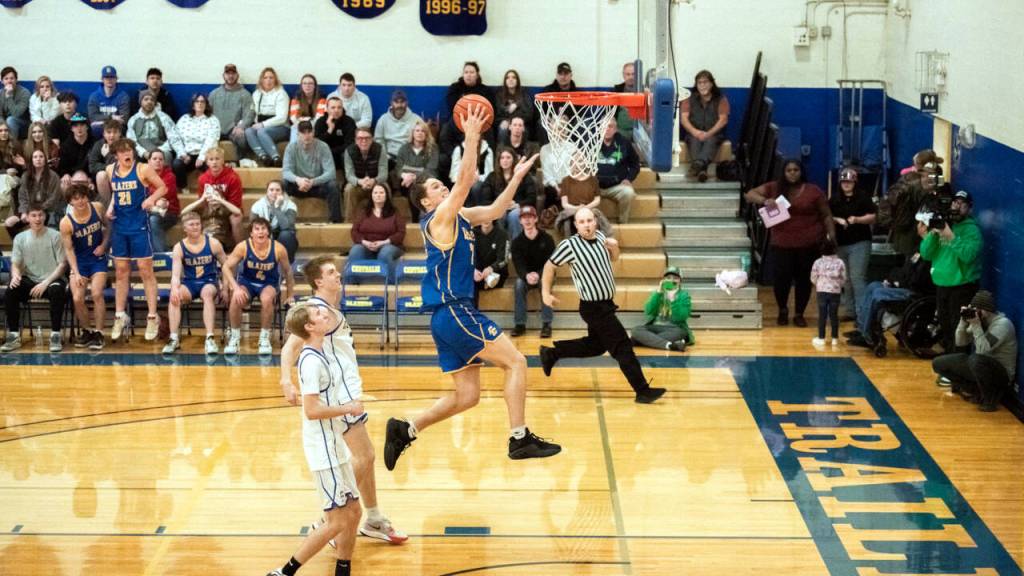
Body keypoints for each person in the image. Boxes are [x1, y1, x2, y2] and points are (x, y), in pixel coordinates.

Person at [382, 105, 558, 470]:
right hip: (455, 311)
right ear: (426, 202)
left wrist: (518, 176)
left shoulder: (460, 215)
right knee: (517, 363)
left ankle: (407, 429)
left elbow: (495, 210)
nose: (440, 186)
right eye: (434, 186)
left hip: (449, 318)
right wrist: (473, 131)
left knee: (468, 396)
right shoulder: (438, 219)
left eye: (439, 182)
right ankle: (519, 437)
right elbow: (464, 181)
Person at [279, 256, 408, 545]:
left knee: (367, 456)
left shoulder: (329, 309)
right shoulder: (316, 311)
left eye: (336, 271)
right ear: (318, 282)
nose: (338, 275)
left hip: (348, 392)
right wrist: (285, 380)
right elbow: (290, 347)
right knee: (366, 457)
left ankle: (372, 517)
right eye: (330, 272)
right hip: (339, 397)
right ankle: (331, 519)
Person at [265, 301, 365, 576]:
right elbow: (311, 411)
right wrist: (349, 408)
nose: (325, 314)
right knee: (335, 521)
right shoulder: (310, 363)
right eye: (319, 314)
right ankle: (285, 571)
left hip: (335, 446)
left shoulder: (322, 354)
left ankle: (343, 568)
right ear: (310, 327)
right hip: (323, 451)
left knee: (354, 512)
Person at [539, 207, 666, 403]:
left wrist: (614, 248)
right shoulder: (570, 245)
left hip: (606, 305)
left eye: (589, 221)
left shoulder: (600, 237)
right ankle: (642, 390)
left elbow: (614, 258)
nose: (587, 225)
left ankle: (552, 353)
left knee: (596, 346)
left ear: (595, 222)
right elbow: (549, 266)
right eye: (582, 222)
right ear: (576, 225)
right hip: (593, 308)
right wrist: (545, 292)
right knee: (622, 345)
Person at [744, 159, 836, 327]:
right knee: (781, 281)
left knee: (804, 281)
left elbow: (826, 215)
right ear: (783, 172)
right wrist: (765, 201)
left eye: (796, 170)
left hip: (808, 245)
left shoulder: (813, 191)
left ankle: (800, 313)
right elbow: (750, 194)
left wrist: (831, 235)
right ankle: (783, 310)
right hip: (782, 244)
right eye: (789, 170)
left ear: (801, 172)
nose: (792, 173)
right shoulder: (774, 187)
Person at [105, 138, 167, 342]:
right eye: (123, 151)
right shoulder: (109, 171)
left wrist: (151, 199)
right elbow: (116, 192)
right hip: (120, 227)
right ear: (116, 155)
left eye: (129, 149)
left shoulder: (143, 169)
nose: (127, 153)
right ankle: (120, 316)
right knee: (121, 272)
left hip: (139, 225)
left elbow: (162, 187)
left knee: (145, 270)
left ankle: (152, 316)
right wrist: (111, 205)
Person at [918, 190, 982, 356]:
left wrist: (951, 236)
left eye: (962, 204)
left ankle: (959, 365)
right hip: (942, 284)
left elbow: (968, 256)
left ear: (969, 209)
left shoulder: (972, 231)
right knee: (946, 326)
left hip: (963, 286)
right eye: (955, 202)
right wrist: (932, 233)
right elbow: (926, 253)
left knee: (959, 329)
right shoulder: (943, 225)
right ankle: (949, 361)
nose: (957, 206)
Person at [932, 290, 1017, 412]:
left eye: (977, 310)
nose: (974, 313)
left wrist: (976, 325)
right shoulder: (979, 321)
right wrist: (963, 321)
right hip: (981, 367)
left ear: (986, 311)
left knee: (975, 359)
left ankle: (990, 400)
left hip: (1001, 374)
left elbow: (983, 350)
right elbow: (960, 342)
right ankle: (976, 391)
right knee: (939, 363)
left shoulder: (1002, 325)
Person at [222, 216, 294, 356]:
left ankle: (264, 337)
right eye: (257, 229)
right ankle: (235, 336)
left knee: (267, 299)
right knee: (237, 298)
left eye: (263, 229)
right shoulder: (243, 246)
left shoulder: (278, 249)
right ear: (251, 233)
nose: (260, 232)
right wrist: (235, 288)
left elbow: (288, 272)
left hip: (268, 283)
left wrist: (290, 294)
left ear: (268, 232)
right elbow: (226, 267)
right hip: (247, 283)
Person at [0, 204, 67, 353]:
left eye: (40, 215)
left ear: (45, 217)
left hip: (52, 279)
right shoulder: (20, 238)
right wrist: (16, 274)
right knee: (11, 291)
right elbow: (15, 263)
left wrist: (45, 283)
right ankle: (14, 335)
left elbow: (62, 265)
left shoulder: (55, 236)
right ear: (28, 218)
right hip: (31, 280)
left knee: (57, 290)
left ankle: (55, 334)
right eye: (34, 215)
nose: (37, 219)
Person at [162, 211, 229, 356]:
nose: (195, 227)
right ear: (184, 228)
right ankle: (173, 338)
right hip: (190, 283)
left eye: (198, 224)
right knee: (175, 297)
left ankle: (210, 338)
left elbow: (227, 267)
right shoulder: (179, 247)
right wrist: (174, 289)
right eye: (191, 225)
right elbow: (175, 274)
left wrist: (225, 287)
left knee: (206, 294)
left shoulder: (213, 243)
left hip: (209, 281)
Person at [59, 183, 110, 350]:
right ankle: (88, 331)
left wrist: (103, 245)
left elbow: (109, 228)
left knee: (96, 293)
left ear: (87, 196)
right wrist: (75, 271)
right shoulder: (66, 222)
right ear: (70, 202)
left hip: (98, 258)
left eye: (82, 197)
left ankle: (100, 333)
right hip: (79, 261)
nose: (80, 201)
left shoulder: (98, 208)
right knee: (77, 298)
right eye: (76, 199)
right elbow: (69, 249)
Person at [846, 252, 933, 349]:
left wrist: (897, 283)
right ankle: (862, 329)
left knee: (878, 293)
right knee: (872, 286)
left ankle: (869, 336)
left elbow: (917, 281)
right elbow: (903, 270)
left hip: (913, 292)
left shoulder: (929, 257)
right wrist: (892, 280)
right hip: (903, 284)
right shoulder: (918, 250)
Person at [830, 167, 876, 322]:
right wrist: (837, 220)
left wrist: (857, 220)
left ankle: (863, 312)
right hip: (841, 243)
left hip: (860, 242)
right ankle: (850, 311)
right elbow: (827, 216)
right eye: (844, 181)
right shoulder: (834, 199)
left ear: (855, 182)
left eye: (849, 181)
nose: (846, 184)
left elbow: (873, 216)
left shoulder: (863, 198)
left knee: (857, 277)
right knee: (846, 279)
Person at [282, 120, 340, 223]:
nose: (306, 135)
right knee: (284, 183)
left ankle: (335, 221)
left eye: (309, 132)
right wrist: (298, 180)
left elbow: (331, 173)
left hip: (317, 186)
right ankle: (283, 220)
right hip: (299, 186)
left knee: (333, 185)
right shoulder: (291, 148)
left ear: (313, 133)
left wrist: (313, 182)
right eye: (303, 133)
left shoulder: (323, 146)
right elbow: (286, 172)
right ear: (298, 134)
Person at [510, 205, 555, 337]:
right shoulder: (517, 242)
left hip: (545, 273)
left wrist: (539, 274)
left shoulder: (547, 238)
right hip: (527, 276)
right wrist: (526, 275)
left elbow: (551, 262)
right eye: (524, 218)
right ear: (520, 221)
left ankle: (547, 324)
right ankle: (520, 324)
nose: (527, 220)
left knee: (544, 283)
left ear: (535, 219)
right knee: (518, 285)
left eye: (530, 217)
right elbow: (518, 264)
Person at [679, 70, 730, 182]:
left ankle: (697, 165)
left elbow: (723, 120)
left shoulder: (721, 99)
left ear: (711, 83)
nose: (702, 85)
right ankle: (701, 170)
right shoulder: (689, 99)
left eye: (705, 82)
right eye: (699, 83)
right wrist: (695, 132)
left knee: (711, 140)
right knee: (694, 140)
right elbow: (683, 118)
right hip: (693, 133)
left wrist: (708, 133)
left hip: (714, 133)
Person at [348, 183, 405, 282]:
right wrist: (365, 242)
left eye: (381, 192)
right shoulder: (363, 212)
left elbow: (401, 233)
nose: (378, 195)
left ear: (386, 195)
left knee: (385, 253)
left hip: (389, 245)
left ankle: (391, 282)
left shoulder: (394, 212)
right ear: (371, 195)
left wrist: (383, 243)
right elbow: (354, 231)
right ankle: (352, 283)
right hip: (367, 245)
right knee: (355, 251)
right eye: (375, 193)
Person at [883, 162, 940, 259]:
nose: (925, 179)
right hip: (908, 241)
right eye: (923, 176)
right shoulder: (914, 192)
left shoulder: (939, 197)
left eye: (930, 176)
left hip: (925, 245)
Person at [630, 266, 694, 352]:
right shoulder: (658, 293)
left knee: (681, 333)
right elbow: (648, 311)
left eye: (675, 278)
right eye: (668, 278)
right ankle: (670, 345)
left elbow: (681, 317)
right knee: (636, 329)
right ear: (663, 280)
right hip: (655, 327)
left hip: (674, 329)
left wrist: (672, 300)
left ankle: (641, 340)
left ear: (680, 281)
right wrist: (658, 293)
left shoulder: (684, 296)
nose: (672, 281)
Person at [477, 147, 535, 237]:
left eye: (508, 157)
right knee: (500, 214)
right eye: (502, 158)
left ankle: (515, 246)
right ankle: (504, 244)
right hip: (498, 209)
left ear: (513, 160)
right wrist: (499, 205)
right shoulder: (492, 177)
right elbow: (485, 199)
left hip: (517, 208)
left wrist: (517, 205)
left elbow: (532, 197)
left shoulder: (523, 175)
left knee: (514, 215)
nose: (505, 160)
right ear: (499, 161)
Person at [192, 146, 244, 247]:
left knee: (236, 218)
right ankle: (196, 250)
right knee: (191, 218)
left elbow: (236, 204)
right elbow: (201, 201)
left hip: (229, 208)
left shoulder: (233, 178)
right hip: (210, 209)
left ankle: (241, 250)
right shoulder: (202, 179)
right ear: (207, 162)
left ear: (222, 161)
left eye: (217, 159)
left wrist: (220, 203)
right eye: (211, 159)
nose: (214, 162)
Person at [392, 119, 438, 223]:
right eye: (417, 131)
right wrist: (404, 175)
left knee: (416, 186)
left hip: (425, 181)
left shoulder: (433, 149)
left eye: (423, 131)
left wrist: (413, 177)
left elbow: (431, 169)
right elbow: (398, 167)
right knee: (410, 186)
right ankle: (416, 220)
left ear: (427, 134)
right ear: (412, 133)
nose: (420, 133)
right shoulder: (404, 148)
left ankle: (419, 220)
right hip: (405, 182)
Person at [594, 117, 638, 223]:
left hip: (616, 187)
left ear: (615, 129)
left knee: (628, 192)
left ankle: (623, 222)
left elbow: (635, 164)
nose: (607, 129)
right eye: (604, 126)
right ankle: (595, 224)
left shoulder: (624, 143)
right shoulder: (592, 143)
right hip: (595, 187)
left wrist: (628, 179)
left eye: (610, 126)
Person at [173, 93, 221, 189]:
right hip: (187, 156)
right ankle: (183, 188)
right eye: (197, 101)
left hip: (205, 155)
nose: (200, 104)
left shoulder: (212, 119)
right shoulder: (184, 119)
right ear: (193, 104)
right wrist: (182, 154)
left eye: (202, 101)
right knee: (177, 164)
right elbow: (176, 138)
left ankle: (212, 190)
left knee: (213, 165)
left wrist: (202, 157)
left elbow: (212, 139)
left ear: (206, 104)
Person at [245, 67, 289, 167]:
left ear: (275, 80)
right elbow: (253, 112)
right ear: (261, 80)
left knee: (261, 131)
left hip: (281, 127)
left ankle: (276, 158)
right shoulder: (256, 94)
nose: (268, 80)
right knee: (248, 131)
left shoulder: (281, 94)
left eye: (271, 77)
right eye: (265, 78)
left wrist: (263, 124)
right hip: (261, 125)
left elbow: (282, 118)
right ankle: (263, 156)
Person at [208, 64, 254, 157]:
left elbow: (249, 114)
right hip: (216, 129)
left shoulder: (245, 94)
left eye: (233, 73)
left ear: (237, 75)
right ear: (223, 76)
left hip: (233, 130)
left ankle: (242, 163)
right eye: (227, 73)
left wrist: (241, 126)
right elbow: (207, 113)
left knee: (242, 139)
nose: (230, 76)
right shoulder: (214, 94)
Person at [343, 128, 388, 222]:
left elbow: (384, 173)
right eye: (360, 138)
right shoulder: (349, 151)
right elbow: (349, 174)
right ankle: (349, 222)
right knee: (348, 189)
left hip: (376, 182)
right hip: (358, 184)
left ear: (372, 139)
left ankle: (386, 220)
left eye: (367, 138)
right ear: (355, 140)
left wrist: (374, 181)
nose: (363, 141)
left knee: (385, 188)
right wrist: (360, 181)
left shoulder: (380, 149)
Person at [127, 90, 184, 163]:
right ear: (141, 102)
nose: (149, 102)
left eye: (152, 100)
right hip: (141, 153)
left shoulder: (163, 117)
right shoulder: (133, 120)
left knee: (164, 158)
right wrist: (143, 153)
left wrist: (159, 151)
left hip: (162, 151)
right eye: (146, 99)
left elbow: (173, 137)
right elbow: (131, 141)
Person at [250, 179, 298, 262]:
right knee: (258, 233)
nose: (274, 192)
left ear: (282, 193)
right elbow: (253, 227)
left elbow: (286, 226)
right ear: (267, 192)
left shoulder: (290, 206)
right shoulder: (257, 206)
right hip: (265, 235)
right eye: (271, 190)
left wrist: (276, 207)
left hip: (282, 237)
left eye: (277, 190)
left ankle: (286, 264)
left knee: (286, 234)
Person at [810, 239, 846, 347]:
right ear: (835, 249)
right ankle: (835, 338)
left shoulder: (818, 262)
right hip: (835, 292)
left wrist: (818, 284)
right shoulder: (840, 262)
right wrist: (839, 285)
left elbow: (813, 277)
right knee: (834, 315)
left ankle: (821, 338)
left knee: (822, 315)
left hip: (822, 291)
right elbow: (844, 278)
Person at [145, 149, 181, 252]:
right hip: (149, 210)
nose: (158, 161)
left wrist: (150, 199)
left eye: (160, 159)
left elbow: (165, 194)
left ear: (164, 162)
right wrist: (155, 200)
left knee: (153, 220)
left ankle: (162, 254)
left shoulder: (170, 176)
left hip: (169, 213)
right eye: (154, 159)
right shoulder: (143, 176)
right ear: (149, 161)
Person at [16, 149, 62, 228]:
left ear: (45, 159)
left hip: (47, 210)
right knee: (10, 223)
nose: (38, 159)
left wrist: (38, 209)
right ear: (32, 160)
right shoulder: (25, 176)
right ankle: (19, 239)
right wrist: (24, 212)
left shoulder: (53, 176)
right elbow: (22, 196)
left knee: (38, 220)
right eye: (35, 157)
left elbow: (54, 198)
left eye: (41, 156)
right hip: (29, 208)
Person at [375, 89, 421, 162]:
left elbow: (422, 141)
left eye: (402, 102)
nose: (399, 105)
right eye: (396, 102)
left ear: (407, 103)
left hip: (409, 158)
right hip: (388, 157)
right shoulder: (383, 119)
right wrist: (384, 156)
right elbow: (378, 140)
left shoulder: (416, 119)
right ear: (391, 103)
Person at [472, 218, 509, 307]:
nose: (486, 219)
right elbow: (466, 256)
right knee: (469, 282)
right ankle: (472, 314)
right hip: (477, 273)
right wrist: (473, 270)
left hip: (496, 272)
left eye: (489, 215)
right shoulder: (471, 234)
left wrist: (491, 268)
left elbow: (504, 259)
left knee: (491, 279)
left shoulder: (502, 235)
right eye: (483, 216)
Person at [86, 66, 130, 138]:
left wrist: (101, 120)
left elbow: (124, 119)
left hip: (117, 128)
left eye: (112, 77)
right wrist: (112, 117)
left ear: (116, 79)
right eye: (106, 77)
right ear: (102, 79)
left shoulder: (123, 96)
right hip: (100, 128)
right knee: (93, 129)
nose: (109, 80)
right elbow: (93, 117)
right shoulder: (94, 96)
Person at [88, 118, 124, 206]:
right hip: (106, 182)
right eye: (108, 132)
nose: (112, 135)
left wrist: (108, 155)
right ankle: (108, 207)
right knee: (101, 175)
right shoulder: (98, 145)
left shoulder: (125, 145)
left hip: (124, 177)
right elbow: (92, 166)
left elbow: (123, 166)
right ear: (104, 134)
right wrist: (108, 167)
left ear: (120, 133)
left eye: (115, 132)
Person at [493, 70, 535, 142]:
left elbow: (529, 113)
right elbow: (498, 113)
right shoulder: (499, 95)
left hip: (522, 122)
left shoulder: (524, 94)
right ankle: (502, 150)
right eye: (508, 78)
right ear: (505, 81)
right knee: (503, 129)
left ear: (517, 81)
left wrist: (517, 105)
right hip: (505, 122)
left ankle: (522, 152)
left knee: (523, 129)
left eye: (514, 77)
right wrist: (507, 121)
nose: (511, 79)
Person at [448, 136, 492, 205]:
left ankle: (479, 210)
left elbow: (490, 174)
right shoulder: (459, 149)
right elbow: (454, 172)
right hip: (463, 180)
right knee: (462, 188)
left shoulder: (487, 150)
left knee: (476, 187)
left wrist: (479, 177)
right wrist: (465, 179)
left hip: (481, 181)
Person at [314, 97, 356, 166]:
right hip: (324, 155)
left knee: (347, 154)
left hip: (341, 154)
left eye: (339, 107)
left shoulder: (349, 121)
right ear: (327, 109)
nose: (336, 110)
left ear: (342, 109)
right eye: (333, 108)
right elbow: (317, 144)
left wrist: (331, 151)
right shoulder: (320, 122)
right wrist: (329, 130)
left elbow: (349, 144)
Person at [56, 114, 95, 187]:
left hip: (90, 179)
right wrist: (65, 174)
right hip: (72, 179)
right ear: (71, 129)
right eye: (75, 126)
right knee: (63, 184)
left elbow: (96, 164)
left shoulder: (94, 144)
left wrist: (91, 178)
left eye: (82, 125)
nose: (79, 128)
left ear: (87, 127)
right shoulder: (65, 146)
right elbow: (62, 167)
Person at [288, 73, 326, 143]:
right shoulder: (296, 97)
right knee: (294, 127)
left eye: (310, 83)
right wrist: (304, 124)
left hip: (316, 126)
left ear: (315, 86)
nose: (307, 86)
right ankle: (293, 151)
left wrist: (306, 121)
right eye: (304, 83)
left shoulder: (321, 97)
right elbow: (293, 118)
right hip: (299, 125)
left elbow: (319, 118)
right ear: (301, 86)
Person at [1, 66, 31, 139]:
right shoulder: (0, 93)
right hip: (6, 124)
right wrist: (4, 125)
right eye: (6, 78)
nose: (9, 81)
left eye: (12, 78)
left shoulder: (25, 93)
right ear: (2, 81)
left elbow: (16, 113)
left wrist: (9, 96)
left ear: (16, 80)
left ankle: (12, 146)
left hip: (24, 125)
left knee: (11, 119)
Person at [612, 62, 637, 140]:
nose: (631, 77)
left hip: (639, 132)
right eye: (628, 74)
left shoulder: (643, 91)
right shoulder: (616, 91)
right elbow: (610, 113)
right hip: (620, 131)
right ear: (623, 75)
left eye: (633, 74)